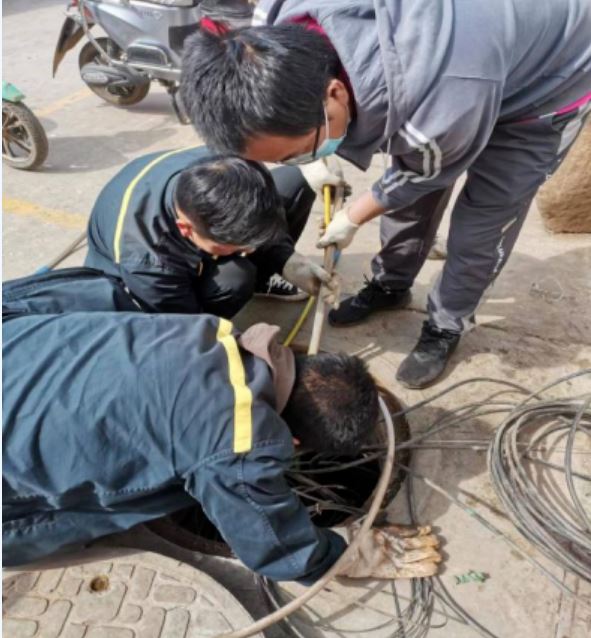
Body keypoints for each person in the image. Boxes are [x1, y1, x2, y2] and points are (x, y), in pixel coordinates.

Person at [180, 0, 591, 387]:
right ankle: (391, 284)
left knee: (482, 226)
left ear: (335, 93)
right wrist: (310, 159)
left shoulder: (435, 107)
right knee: (407, 203)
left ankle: (446, 324)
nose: (300, 160)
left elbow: (423, 172)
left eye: (298, 152)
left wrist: (352, 216)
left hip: (546, 84)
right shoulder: (275, 18)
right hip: (470, 59)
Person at [2, 270, 441, 581]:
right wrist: (343, 557)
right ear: (294, 440)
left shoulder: (206, 330)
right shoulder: (239, 438)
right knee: (148, 494)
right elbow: (273, 545)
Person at [85, 146, 337, 317]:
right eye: (238, 245)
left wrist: (287, 261)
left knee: (295, 180)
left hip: (187, 229)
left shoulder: (232, 163)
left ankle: (262, 281)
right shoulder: (148, 261)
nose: (250, 250)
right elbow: (184, 325)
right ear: (186, 229)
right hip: (141, 287)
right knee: (235, 279)